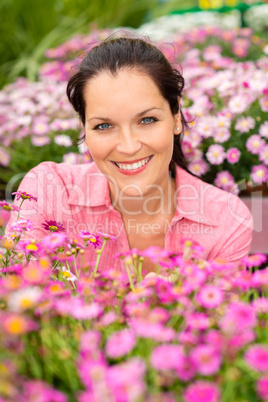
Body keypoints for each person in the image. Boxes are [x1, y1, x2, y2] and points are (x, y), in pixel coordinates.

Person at [6, 34, 253, 273]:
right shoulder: (49, 190)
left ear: (176, 116)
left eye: (147, 120)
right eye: (104, 125)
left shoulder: (225, 220)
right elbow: (20, 294)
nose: (128, 146)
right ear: (84, 129)